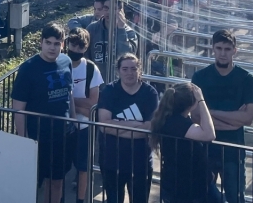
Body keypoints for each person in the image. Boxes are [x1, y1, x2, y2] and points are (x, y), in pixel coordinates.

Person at [11, 23, 75, 203]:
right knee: (32, 183)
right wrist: (23, 139)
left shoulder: (66, 62)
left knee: (57, 180)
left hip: (62, 134)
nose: (52, 48)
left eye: (57, 43)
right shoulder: (28, 68)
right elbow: (18, 108)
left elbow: (69, 93)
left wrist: (74, 120)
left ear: (62, 44)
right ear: (41, 42)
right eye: (48, 42)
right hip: (37, 136)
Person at [191, 30, 253, 203]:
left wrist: (210, 113)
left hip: (233, 152)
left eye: (227, 49)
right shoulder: (199, 77)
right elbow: (195, 116)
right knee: (202, 197)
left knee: (235, 198)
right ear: (213, 48)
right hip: (205, 149)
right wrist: (233, 120)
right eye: (219, 48)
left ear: (234, 50)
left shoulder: (247, 79)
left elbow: (247, 118)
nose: (222, 53)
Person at [97, 53, 159, 203]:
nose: (129, 73)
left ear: (140, 70)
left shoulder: (150, 93)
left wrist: (117, 126)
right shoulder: (109, 90)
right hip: (112, 160)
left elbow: (149, 128)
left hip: (141, 161)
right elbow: (104, 125)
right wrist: (136, 125)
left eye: (133, 68)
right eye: (125, 69)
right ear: (118, 71)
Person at [151, 82, 222, 203]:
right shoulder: (179, 123)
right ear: (191, 103)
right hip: (189, 187)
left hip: (178, 182)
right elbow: (209, 134)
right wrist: (201, 100)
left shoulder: (168, 119)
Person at [67, 28, 103, 203]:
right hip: (63, 125)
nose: (75, 49)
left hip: (84, 126)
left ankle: (80, 199)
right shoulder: (59, 64)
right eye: (73, 45)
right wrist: (81, 105)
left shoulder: (90, 69)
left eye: (80, 46)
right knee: (58, 166)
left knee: (83, 166)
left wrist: (70, 101)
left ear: (86, 47)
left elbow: (93, 103)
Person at [88, 0, 139, 71]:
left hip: (118, 77)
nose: (109, 12)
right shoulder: (92, 29)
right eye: (106, 8)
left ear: (121, 11)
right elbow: (85, 56)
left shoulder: (129, 33)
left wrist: (121, 29)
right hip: (96, 76)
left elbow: (127, 57)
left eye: (113, 8)